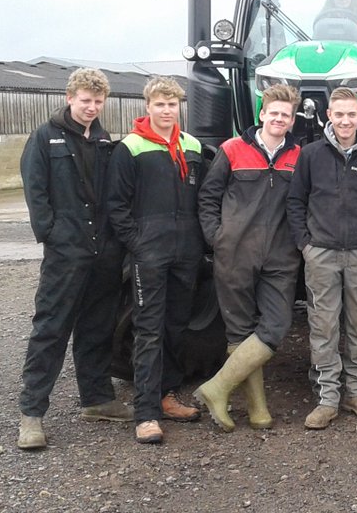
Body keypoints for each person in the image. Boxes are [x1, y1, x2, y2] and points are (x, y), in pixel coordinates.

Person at [16, 68, 128, 450]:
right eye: (85, 100)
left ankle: (97, 399)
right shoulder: (45, 138)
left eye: (98, 102)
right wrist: (52, 235)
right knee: (51, 329)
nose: (91, 107)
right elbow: (35, 191)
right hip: (67, 252)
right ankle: (31, 415)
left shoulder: (102, 139)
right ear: (70, 98)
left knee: (97, 328)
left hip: (103, 252)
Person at [193, 84, 302, 432]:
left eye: (286, 115)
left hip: (281, 256)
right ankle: (257, 408)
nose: (279, 119)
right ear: (262, 114)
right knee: (239, 330)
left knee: (276, 324)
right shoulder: (232, 150)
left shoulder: (299, 156)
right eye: (274, 113)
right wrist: (217, 237)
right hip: (235, 252)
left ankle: (217, 388)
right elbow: (208, 197)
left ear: (292, 119)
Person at [107, 76, 206, 444]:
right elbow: (116, 206)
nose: (166, 110)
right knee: (148, 329)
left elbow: (202, 199)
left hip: (186, 253)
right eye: (160, 104)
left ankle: (167, 396)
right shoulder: (130, 149)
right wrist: (139, 244)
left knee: (177, 327)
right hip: (150, 254)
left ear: (180, 106)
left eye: (172, 104)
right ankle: (145, 412)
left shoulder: (191, 146)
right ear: (147, 106)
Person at [287, 87, 357, 429]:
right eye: (339, 114)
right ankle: (327, 398)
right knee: (324, 325)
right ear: (329, 115)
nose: (345, 121)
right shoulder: (311, 155)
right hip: (322, 254)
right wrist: (306, 244)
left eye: (351, 114)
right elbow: (296, 202)